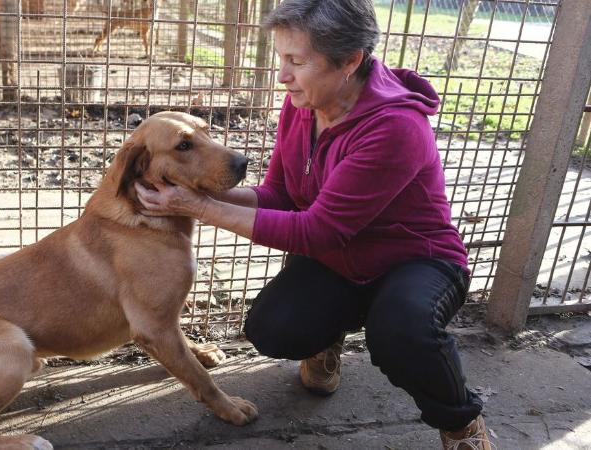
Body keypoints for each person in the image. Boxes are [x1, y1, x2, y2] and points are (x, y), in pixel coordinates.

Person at [134, 0, 493, 448]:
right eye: (281, 58)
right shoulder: (303, 104)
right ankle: (329, 335)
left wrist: (196, 207)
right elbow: (280, 195)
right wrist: (196, 189)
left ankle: (461, 423)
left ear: (349, 61)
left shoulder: (394, 127)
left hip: (415, 260)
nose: (282, 75)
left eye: (296, 62)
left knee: (401, 332)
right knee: (274, 328)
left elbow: (315, 230)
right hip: (340, 261)